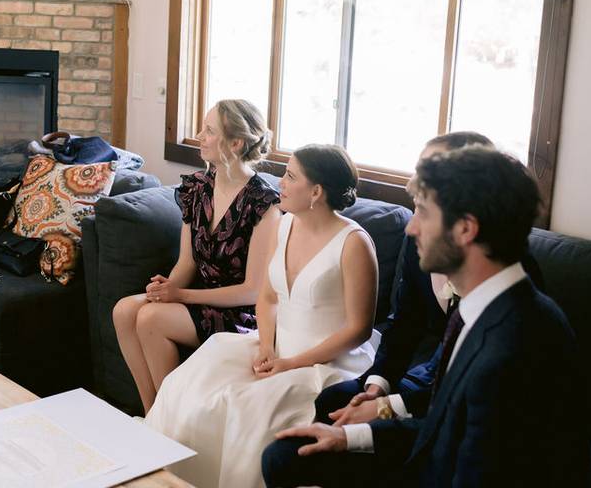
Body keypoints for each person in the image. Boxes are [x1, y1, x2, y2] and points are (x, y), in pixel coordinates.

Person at [262, 147, 588, 488]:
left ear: (465, 228)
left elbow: (472, 470)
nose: (410, 229)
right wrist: (351, 437)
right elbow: (443, 426)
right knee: (287, 453)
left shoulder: (515, 343)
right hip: (440, 450)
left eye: (423, 214)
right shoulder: (487, 306)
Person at [145, 144, 378, 488]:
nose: (280, 182)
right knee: (190, 381)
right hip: (273, 345)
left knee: (246, 406)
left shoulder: (354, 243)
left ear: (316, 192)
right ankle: (162, 476)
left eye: (290, 176)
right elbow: (267, 298)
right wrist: (267, 346)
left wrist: (293, 362)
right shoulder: (285, 225)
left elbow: (359, 329)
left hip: (324, 361)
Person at [314, 131, 494, 426]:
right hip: (420, 367)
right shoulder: (417, 236)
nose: (411, 227)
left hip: (455, 393)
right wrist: (377, 385)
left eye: (431, 169)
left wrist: (387, 407)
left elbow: (462, 384)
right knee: (331, 401)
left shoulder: (492, 268)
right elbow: (404, 322)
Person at [112, 99, 280, 413]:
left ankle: (170, 419)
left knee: (151, 317)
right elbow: (187, 263)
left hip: (240, 313)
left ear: (235, 143)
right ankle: (153, 415)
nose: (200, 135)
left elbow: (253, 290)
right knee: (124, 310)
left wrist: (180, 296)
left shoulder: (264, 204)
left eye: (209, 131)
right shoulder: (197, 189)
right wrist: (165, 290)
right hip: (197, 297)